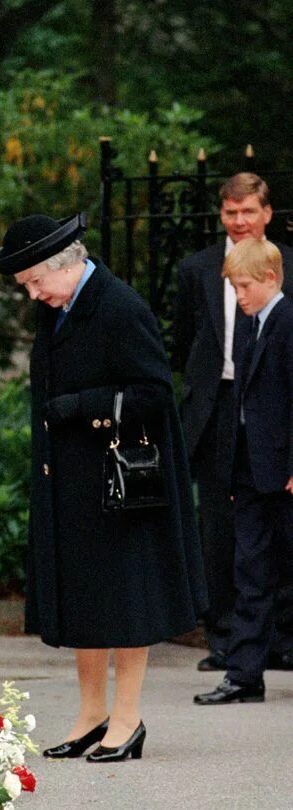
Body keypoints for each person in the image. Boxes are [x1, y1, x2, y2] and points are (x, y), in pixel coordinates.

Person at [0, 213, 207, 762]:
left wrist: (83, 409)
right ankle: (92, 714)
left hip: (120, 480)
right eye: (27, 286)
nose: (34, 294)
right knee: (84, 596)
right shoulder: (57, 304)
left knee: (127, 599)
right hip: (73, 480)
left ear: (67, 264)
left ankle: (127, 719)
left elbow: (155, 393)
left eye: (36, 281)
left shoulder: (120, 306)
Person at [174, 173, 293, 672]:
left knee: (277, 529)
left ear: (267, 213)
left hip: (274, 401)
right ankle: (225, 638)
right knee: (222, 529)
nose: (240, 221)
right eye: (230, 212)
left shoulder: (288, 266)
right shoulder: (197, 268)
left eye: (248, 211)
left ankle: (281, 639)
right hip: (219, 405)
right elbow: (182, 343)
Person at [194, 239, 293, 705]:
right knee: (249, 571)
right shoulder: (253, 326)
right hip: (253, 472)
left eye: (244, 285)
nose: (239, 295)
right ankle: (244, 675)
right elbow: (241, 406)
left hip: (284, 471)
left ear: (271, 279)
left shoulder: (288, 323)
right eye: (234, 287)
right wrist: (234, 471)